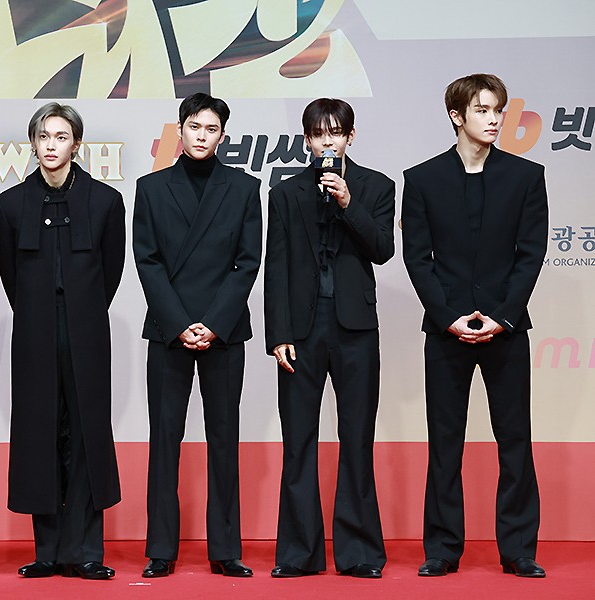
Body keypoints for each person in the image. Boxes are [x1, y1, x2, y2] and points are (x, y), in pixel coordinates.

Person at [402, 73, 548, 578]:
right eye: (482, 110)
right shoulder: (422, 179)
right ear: (456, 115)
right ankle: (442, 549)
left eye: (498, 110)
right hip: (447, 330)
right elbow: (418, 258)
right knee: (445, 442)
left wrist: (503, 317)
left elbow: (530, 254)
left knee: (515, 439)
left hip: (507, 327)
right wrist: (449, 318)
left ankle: (519, 549)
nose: (494, 119)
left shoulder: (526, 176)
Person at [133, 93, 261, 578]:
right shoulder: (150, 188)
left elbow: (247, 261)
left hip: (223, 331)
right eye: (194, 126)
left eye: (211, 129)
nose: (202, 135)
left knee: (223, 439)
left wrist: (214, 322)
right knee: (164, 440)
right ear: (180, 129)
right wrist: (180, 322)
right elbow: (147, 260)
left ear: (222, 136)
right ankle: (160, 549)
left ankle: (225, 549)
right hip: (169, 330)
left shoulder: (244, 188)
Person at [0, 103, 125, 580]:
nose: (51, 145)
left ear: (77, 144)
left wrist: (81, 312)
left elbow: (111, 271)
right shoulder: (9, 204)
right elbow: (9, 274)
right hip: (33, 335)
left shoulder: (106, 201)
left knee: (86, 434)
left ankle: (85, 551)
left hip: (87, 335)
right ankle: (47, 551)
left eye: (61, 136)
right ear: (33, 144)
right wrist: (39, 314)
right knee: (39, 433)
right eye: (44, 136)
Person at [264, 98, 394, 579]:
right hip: (300, 332)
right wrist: (278, 333)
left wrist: (347, 202)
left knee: (356, 438)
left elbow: (382, 249)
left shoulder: (376, 186)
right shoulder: (285, 193)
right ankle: (298, 553)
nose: (327, 142)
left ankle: (359, 553)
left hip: (355, 329)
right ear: (307, 140)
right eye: (319, 134)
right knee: (298, 441)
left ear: (350, 137)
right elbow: (275, 266)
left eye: (336, 133)